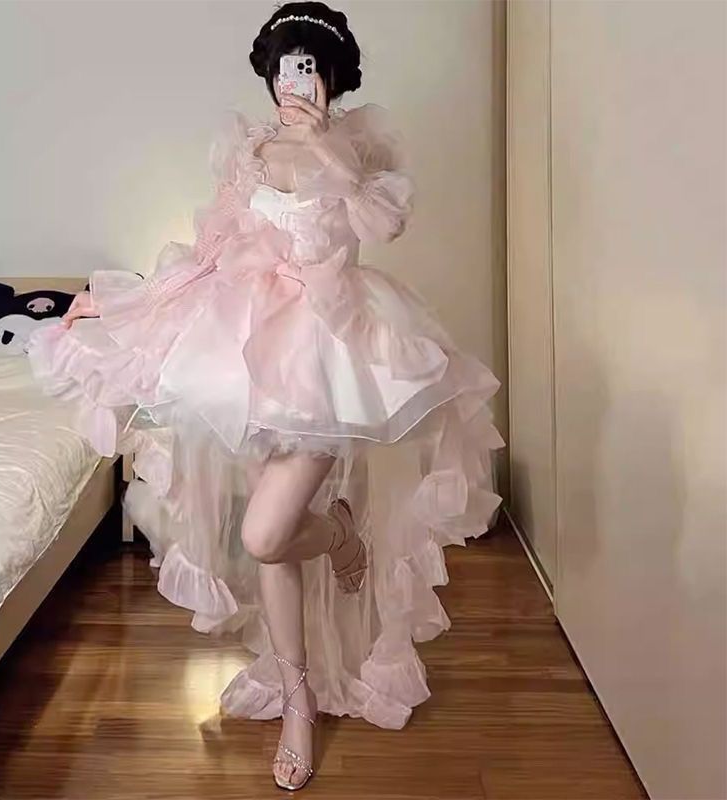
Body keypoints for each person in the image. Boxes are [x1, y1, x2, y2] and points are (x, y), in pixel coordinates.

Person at [28, 1, 504, 791]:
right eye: (283, 67)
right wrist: (123, 303)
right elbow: (213, 251)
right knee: (270, 543)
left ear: (333, 75)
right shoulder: (247, 150)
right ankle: (296, 700)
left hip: (326, 350)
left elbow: (383, 226)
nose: (293, 82)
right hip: (243, 350)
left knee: (265, 533)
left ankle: (341, 534)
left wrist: (325, 149)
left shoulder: (360, 147)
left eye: (307, 66)